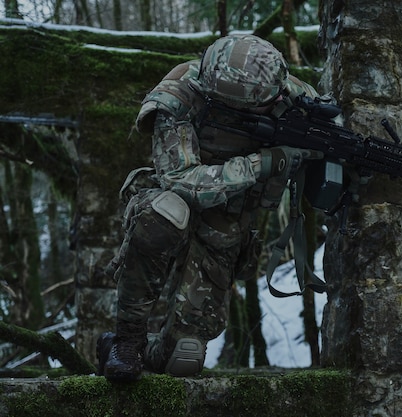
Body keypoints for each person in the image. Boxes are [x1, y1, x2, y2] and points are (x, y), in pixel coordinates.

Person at [96, 34, 323, 381]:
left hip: (225, 228)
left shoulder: (279, 88)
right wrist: (262, 163)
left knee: (183, 359)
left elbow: (326, 124)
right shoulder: (177, 97)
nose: (279, 100)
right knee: (166, 214)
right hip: (168, 203)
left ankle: (149, 353)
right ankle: (127, 339)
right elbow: (181, 181)